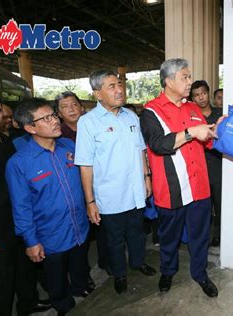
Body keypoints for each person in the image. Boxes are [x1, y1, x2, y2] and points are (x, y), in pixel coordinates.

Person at [140, 58, 222, 298]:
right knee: (169, 237)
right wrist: (189, 133)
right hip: (171, 188)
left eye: (189, 77)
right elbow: (157, 144)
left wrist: (217, 128)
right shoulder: (151, 111)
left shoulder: (193, 108)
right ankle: (168, 271)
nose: (189, 82)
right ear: (168, 81)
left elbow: (206, 141)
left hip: (199, 187)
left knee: (200, 236)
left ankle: (200, 273)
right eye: (184, 77)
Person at [5, 98, 91, 315]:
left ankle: (80, 287)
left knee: (80, 264)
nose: (54, 121)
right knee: (56, 277)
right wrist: (31, 241)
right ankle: (62, 304)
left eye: (53, 115)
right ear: (29, 127)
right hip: (50, 234)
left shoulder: (69, 147)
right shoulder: (19, 163)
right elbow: (21, 207)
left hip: (79, 224)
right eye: (46, 118)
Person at [75, 70, 156, 295]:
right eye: (111, 86)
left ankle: (138, 263)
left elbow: (141, 151)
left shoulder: (131, 117)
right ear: (97, 94)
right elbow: (85, 164)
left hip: (135, 190)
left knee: (137, 233)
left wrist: (146, 177)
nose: (119, 90)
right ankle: (119, 273)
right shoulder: (88, 122)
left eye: (119, 84)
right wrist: (90, 201)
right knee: (115, 240)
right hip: (109, 196)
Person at [0, 89, 51, 316]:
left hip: (16, 222)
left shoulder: (5, 141)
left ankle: (28, 304)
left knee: (24, 271)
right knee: (0, 284)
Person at [55, 91, 109, 279]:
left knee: (104, 227)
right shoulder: (57, 136)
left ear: (82, 107)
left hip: (101, 185)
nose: (71, 109)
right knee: (80, 235)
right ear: (59, 114)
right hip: (74, 192)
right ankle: (81, 275)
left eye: (74, 105)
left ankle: (106, 261)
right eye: (65, 107)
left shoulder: (97, 126)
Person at [190, 80, 223, 247]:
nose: (200, 97)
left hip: (218, 166)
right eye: (196, 95)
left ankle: (218, 235)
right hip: (198, 168)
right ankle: (203, 237)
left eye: (203, 93)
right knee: (202, 208)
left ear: (208, 93)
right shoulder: (191, 117)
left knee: (219, 204)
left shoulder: (220, 113)